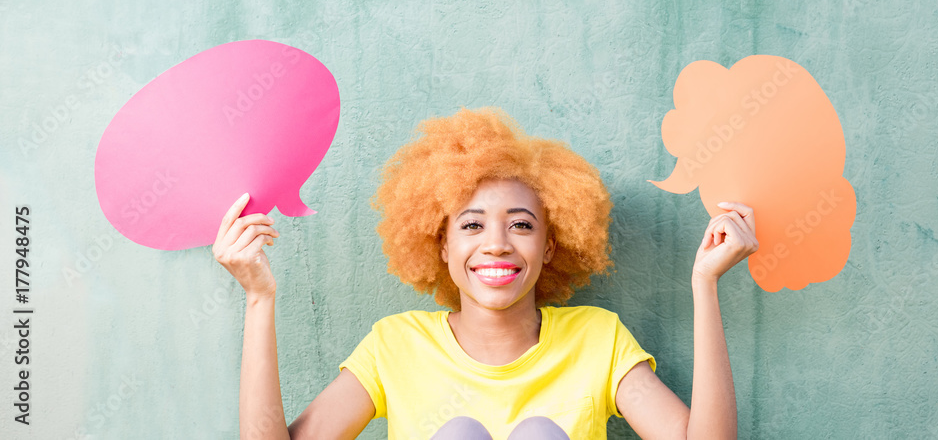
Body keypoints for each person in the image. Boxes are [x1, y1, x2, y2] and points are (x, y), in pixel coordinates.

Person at [214, 107, 759, 439]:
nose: (496, 244)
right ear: (442, 244)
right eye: (472, 226)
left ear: (551, 246)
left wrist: (705, 284)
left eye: (521, 225)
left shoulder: (597, 340)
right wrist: (259, 300)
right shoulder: (394, 346)